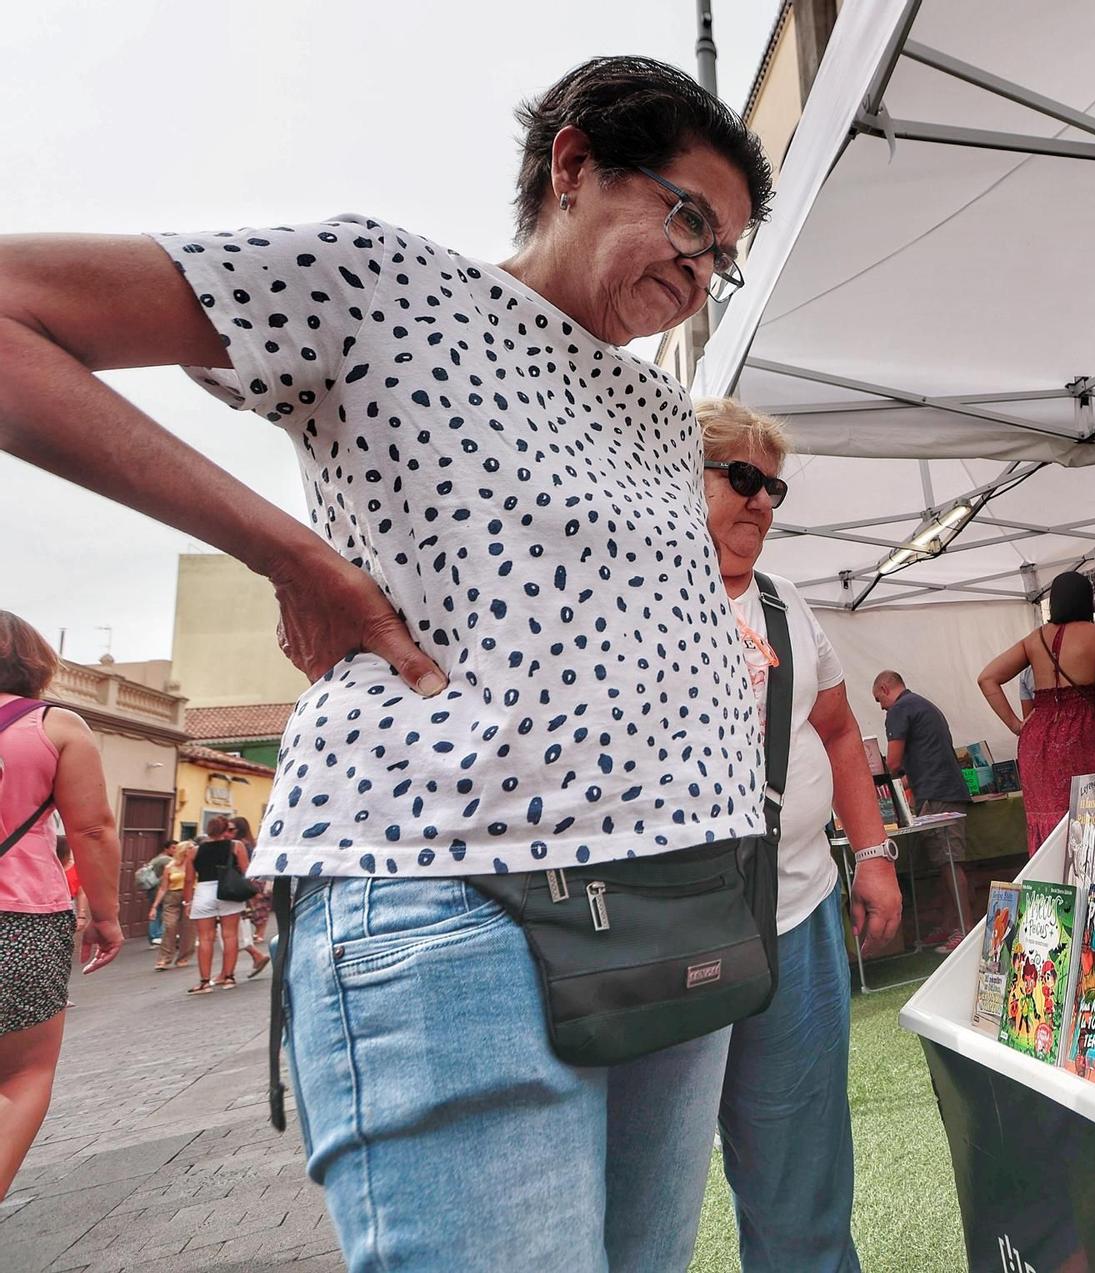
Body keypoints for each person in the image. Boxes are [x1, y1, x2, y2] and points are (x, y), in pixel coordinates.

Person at [0, 55, 774, 1267]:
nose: (699, 265)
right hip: (462, 913)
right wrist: (291, 555)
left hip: (680, 907)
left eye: (720, 251)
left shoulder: (666, 415)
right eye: (687, 215)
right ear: (571, 164)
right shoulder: (383, 279)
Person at [697, 397, 901, 1273]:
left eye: (772, 486)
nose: (762, 504)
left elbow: (841, 730)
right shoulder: (630, 592)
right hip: (662, 933)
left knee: (802, 1178)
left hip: (797, 912)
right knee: (641, 1195)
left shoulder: (788, 607)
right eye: (741, 478)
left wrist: (878, 854)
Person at [0, 612, 123, 1196]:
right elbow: (92, 830)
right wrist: (105, 917)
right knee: (23, 1075)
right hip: (20, 920)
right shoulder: (55, 726)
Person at [977, 571, 1095, 853]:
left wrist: (1016, 725)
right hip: (1085, 735)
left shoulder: (1034, 640)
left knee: (1046, 822)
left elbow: (987, 678)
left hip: (1037, 740)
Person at [872, 671, 974, 946]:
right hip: (943, 789)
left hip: (937, 793)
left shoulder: (899, 710)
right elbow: (918, 760)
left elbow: (892, 763)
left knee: (950, 861)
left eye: (878, 699)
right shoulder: (922, 705)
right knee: (944, 861)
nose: (880, 706)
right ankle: (951, 924)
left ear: (885, 687)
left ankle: (965, 929)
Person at [184, 815, 262, 994]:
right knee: (230, 935)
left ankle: (204, 982)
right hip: (228, 890)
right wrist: (252, 894)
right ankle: (229, 977)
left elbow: (189, 879)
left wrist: (187, 901)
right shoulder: (236, 846)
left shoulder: (194, 851)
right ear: (226, 830)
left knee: (205, 938)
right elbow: (246, 871)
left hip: (204, 891)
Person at [231, 815, 272, 966]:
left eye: (232, 828)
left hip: (243, 881)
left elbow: (246, 866)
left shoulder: (241, 845)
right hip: (249, 881)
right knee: (250, 913)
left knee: (250, 912)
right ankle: (255, 946)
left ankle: (256, 943)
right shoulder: (249, 843)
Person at [150, 841, 195, 970]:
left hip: (191, 894)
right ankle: (164, 959)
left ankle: (184, 956)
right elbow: (163, 888)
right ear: (184, 851)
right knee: (170, 926)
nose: (193, 851)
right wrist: (154, 906)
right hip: (172, 896)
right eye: (190, 849)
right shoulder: (170, 866)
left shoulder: (195, 865)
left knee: (188, 928)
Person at [136, 844, 173, 945]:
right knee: (165, 912)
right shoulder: (167, 860)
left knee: (155, 912)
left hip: (152, 889)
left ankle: (153, 936)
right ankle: (159, 935)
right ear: (167, 848)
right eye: (173, 848)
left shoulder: (155, 859)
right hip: (161, 889)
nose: (175, 850)